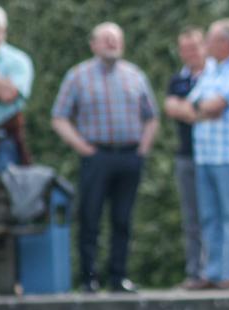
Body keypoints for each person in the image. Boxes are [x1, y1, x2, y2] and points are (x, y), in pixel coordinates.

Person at [51, 22, 159, 293]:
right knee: (90, 217)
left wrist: (143, 148)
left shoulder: (135, 75)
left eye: (116, 39)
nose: (112, 43)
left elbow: (152, 117)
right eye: (106, 39)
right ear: (94, 44)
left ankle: (119, 277)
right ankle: (89, 278)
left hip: (129, 156)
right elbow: (59, 116)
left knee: (123, 219)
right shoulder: (78, 76)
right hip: (97, 156)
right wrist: (81, 146)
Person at [167, 18, 229, 290]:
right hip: (205, 155)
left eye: (210, 40)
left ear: (226, 43)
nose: (205, 46)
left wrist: (198, 108)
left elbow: (213, 105)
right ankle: (213, 272)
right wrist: (199, 108)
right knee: (209, 217)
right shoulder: (212, 70)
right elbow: (195, 102)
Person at [164, 26, 207, 290]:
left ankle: (218, 271)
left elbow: (189, 109)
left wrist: (187, 109)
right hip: (186, 156)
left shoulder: (215, 75)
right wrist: (196, 110)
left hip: (212, 156)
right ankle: (195, 271)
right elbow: (171, 108)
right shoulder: (176, 80)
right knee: (191, 218)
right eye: (185, 49)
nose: (190, 53)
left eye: (194, 47)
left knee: (215, 217)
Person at [0, 3, 33, 172]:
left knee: (5, 191)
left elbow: (9, 95)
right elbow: (4, 93)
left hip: (4, 141)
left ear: (3, 29)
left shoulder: (18, 61)